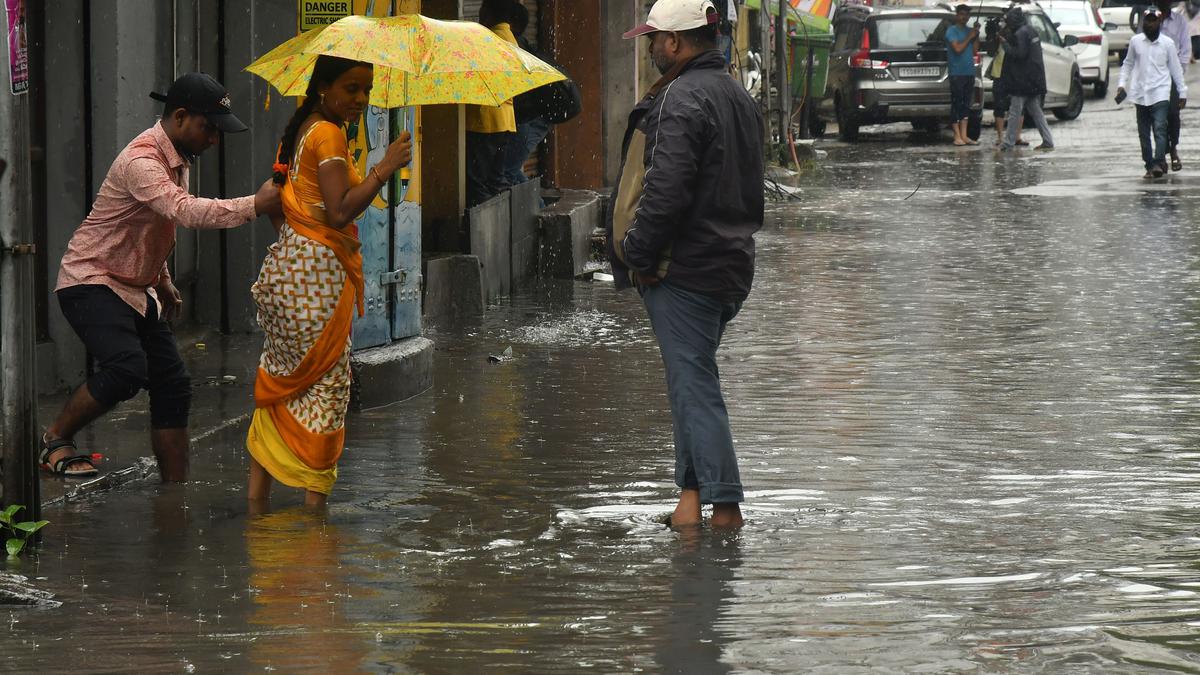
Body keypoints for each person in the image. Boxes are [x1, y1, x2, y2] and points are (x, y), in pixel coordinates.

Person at [46, 73, 280, 480]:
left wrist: (162, 278)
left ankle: (175, 492)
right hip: (91, 280)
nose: (213, 140)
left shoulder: (177, 158)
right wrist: (255, 205)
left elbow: (153, 225)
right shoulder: (142, 161)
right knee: (127, 368)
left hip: (136, 286)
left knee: (173, 383)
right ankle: (54, 439)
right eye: (208, 129)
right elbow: (184, 211)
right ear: (181, 116)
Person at [609, 0, 764, 530]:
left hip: (685, 269)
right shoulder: (737, 94)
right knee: (687, 382)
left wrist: (638, 256)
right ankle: (692, 503)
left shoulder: (680, 97)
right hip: (729, 265)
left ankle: (725, 509)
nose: (651, 48)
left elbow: (666, 191)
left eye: (654, 39)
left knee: (694, 386)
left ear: (674, 43)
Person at [247, 55, 412, 510]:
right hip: (316, 280)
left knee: (281, 381)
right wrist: (384, 167)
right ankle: (311, 523)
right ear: (324, 88)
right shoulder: (329, 133)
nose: (360, 99)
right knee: (326, 386)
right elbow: (339, 211)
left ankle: (256, 510)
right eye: (351, 88)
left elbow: (284, 203)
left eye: (366, 89)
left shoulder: (301, 131)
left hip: (286, 273)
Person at [1117, 8, 1188, 178]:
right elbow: (1127, 64)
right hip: (1140, 94)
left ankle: (1158, 162)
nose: (1149, 23)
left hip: (1161, 92)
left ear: (1159, 22)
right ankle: (1149, 164)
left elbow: (1176, 69)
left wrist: (1182, 92)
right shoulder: (1135, 42)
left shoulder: (1168, 44)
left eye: (1153, 20)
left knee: (1160, 128)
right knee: (1143, 133)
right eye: (1147, 20)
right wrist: (1121, 84)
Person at [466, 0, 519, 207]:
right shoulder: (510, 39)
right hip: (505, 120)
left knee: (476, 182)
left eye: (481, 10)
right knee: (496, 180)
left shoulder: (489, 39)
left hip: (485, 120)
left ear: (489, 12)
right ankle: (502, 224)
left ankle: (484, 232)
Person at [503, 1, 552, 188]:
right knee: (509, 170)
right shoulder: (518, 45)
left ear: (511, 24)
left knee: (509, 171)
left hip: (529, 118)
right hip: (531, 116)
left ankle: (539, 212)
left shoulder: (514, 48)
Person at [998, 7, 1054, 151]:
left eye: (1008, 21)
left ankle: (1008, 143)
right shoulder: (1030, 30)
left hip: (1022, 81)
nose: (1008, 24)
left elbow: (1019, 54)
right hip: (1034, 79)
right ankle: (1048, 140)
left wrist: (1005, 44)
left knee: (1014, 112)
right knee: (1036, 112)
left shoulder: (1021, 33)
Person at [1152, 0, 1190, 170]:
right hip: (1153, 76)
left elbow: (1185, 49)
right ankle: (1161, 156)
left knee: (1173, 114)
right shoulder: (1149, 18)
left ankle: (1173, 148)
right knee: (1157, 118)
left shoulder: (1180, 21)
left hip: (1173, 76)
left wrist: (1178, 72)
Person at [984, 15, 1025, 146]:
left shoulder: (1018, 32)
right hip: (999, 73)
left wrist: (1003, 35)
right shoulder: (998, 34)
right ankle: (1000, 137)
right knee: (999, 106)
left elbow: (1017, 49)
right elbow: (990, 51)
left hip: (1015, 73)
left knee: (1019, 106)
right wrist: (991, 35)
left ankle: (1017, 136)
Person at [946, 4, 980, 146]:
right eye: (961, 14)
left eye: (966, 14)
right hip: (957, 72)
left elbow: (974, 51)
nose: (964, 17)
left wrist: (976, 35)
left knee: (966, 104)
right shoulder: (951, 31)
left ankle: (964, 135)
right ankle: (957, 135)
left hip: (969, 72)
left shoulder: (969, 30)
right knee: (957, 103)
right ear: (956, 15)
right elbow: (958, 48)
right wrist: (969, 36)